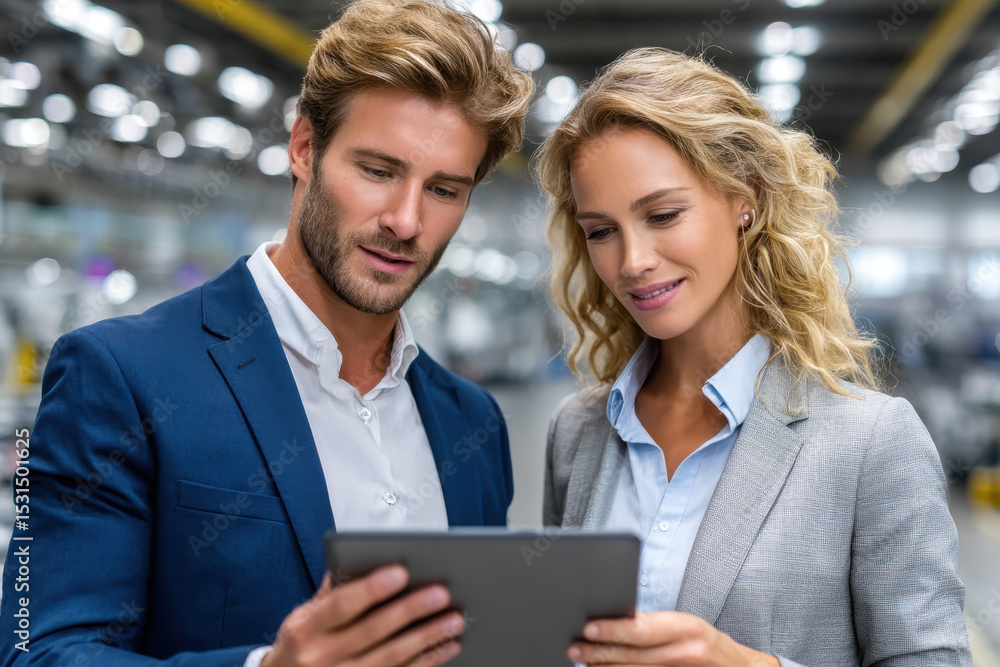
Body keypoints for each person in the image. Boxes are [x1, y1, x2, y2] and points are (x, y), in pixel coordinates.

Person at [0, 1, 532, 666]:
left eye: (445, 190)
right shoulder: (120, 375)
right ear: (305, 147)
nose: (406, 220)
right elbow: (38, 651)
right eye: (378, 170)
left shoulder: (471, 422)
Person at [536, 48, 971, 667]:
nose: (631, 261)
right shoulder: (577, 434)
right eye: (601, 230)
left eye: (662, 215)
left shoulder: (871, 443)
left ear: (746, 198)